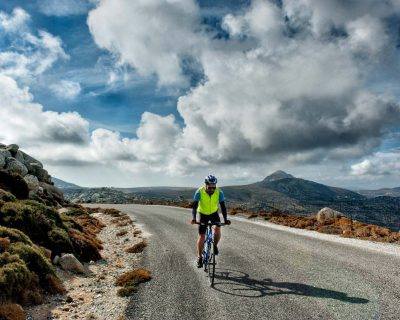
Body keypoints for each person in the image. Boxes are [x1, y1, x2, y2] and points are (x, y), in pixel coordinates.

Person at [191, 174, 230, 268]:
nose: (212, 190)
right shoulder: (199, 192)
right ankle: (199, 257)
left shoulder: (219, 192)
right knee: (202, 236)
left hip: (213, 213)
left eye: (213, 187)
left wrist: (225, 219)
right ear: (206, 185)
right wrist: (194, 218)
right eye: (210, 187)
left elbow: (223, 207)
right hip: (203, 214)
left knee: (217, 229)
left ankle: (214, 245)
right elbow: (195, 206)